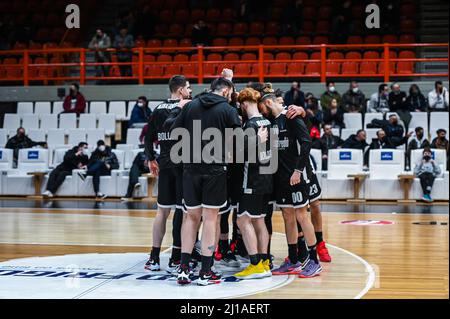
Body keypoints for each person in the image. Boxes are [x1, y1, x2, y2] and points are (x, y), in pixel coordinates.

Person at [171, 78, 241, 286]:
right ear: (227, 91)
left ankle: (183, 269)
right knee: (210, 220)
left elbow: (174, 132)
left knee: (190, 218)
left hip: (190, 169)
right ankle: (205, 271)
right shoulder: (227, 110)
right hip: (215, 169)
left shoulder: (191, 105)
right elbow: (238, 140)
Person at [259, 83, 322, 278]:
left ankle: (314, 260)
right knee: (287, 216)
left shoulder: (291, 117)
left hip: (296, 177)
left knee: (302, 216)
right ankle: (293, 259)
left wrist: (297, 171)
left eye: (263, 108)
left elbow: (306, 143)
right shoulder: (274, 123)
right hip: (282, 179)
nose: (263, 113)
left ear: (268, 102)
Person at [144, 76, 193, 274]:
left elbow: (148, 136)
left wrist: (150, 158)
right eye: (188, 88)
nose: (190, 91)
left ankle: (154, 257)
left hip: (164, 164)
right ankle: (176, 258)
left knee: (162, 211)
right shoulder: (188, 106)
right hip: (182, 166)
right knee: (183, 212)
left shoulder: (157, 109)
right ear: (181, 90)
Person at [232, 88, 272, 280]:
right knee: (259, 220)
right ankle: (264, 262)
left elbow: (242, 154)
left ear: (244, 104)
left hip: (253, 177)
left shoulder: (250, 125)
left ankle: (255, 263)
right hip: (267, 177)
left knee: (243, 220)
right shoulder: (268, 121)